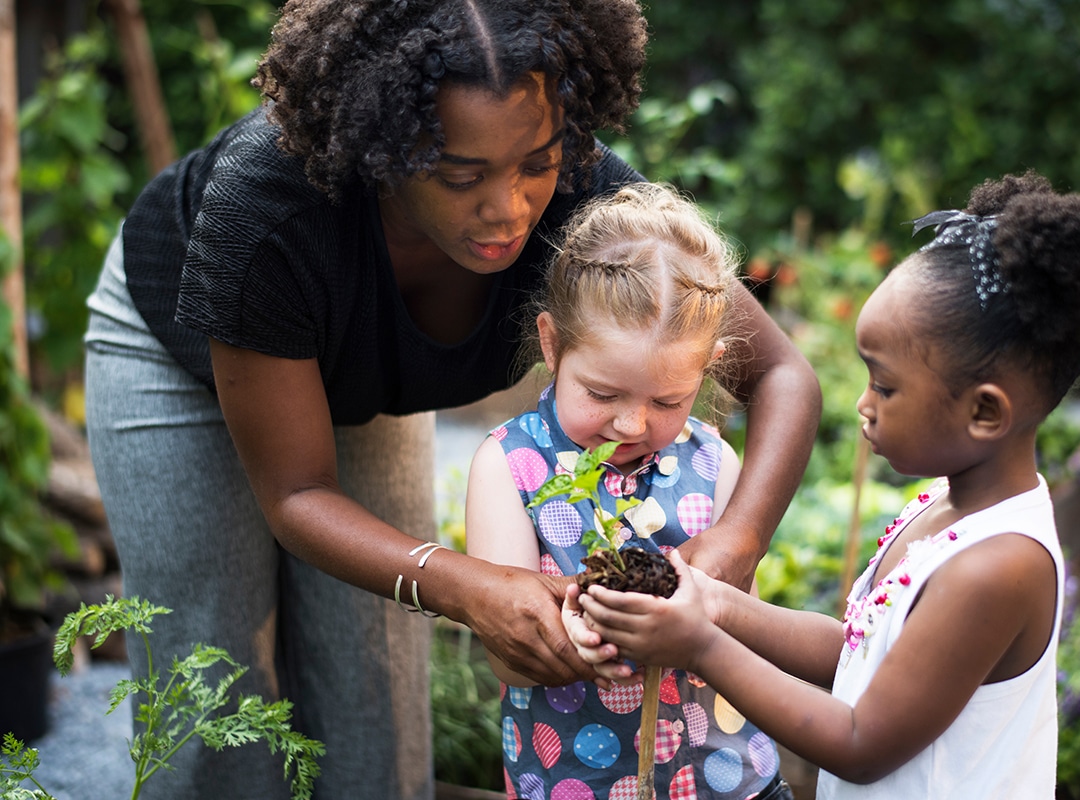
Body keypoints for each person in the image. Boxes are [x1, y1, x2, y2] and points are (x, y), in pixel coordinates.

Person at [82, 1, 822, 798]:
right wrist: (465, 583)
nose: (509, 209)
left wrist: (737, 543)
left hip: (362, 382)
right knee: (210, 690)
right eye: (460, 175)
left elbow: (782, 375)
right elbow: (297, 495)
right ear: (382, 151)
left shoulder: (585, 196)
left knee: (378, 714)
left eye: (535, 163)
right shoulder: (264, 211)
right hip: (175, 354)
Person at [571, 171, 1080, 799]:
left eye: (885, 387)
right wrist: (718, 605)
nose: (863, 404)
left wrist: (701, 646)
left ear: (985, 413)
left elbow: (861, 742)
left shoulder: (995, 566)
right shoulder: (944, 510)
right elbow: (857, 656)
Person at [466, 182, 794, 800]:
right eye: (603, 394)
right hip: (576, 781)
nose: (633, 425)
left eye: (668, 400)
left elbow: (737, 623)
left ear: (710, 365)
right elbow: (506, 656)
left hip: (724, 777)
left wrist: (705, 613)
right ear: (553, 344)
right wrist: (574, 636)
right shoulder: (510, 467)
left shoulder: (712, 461)